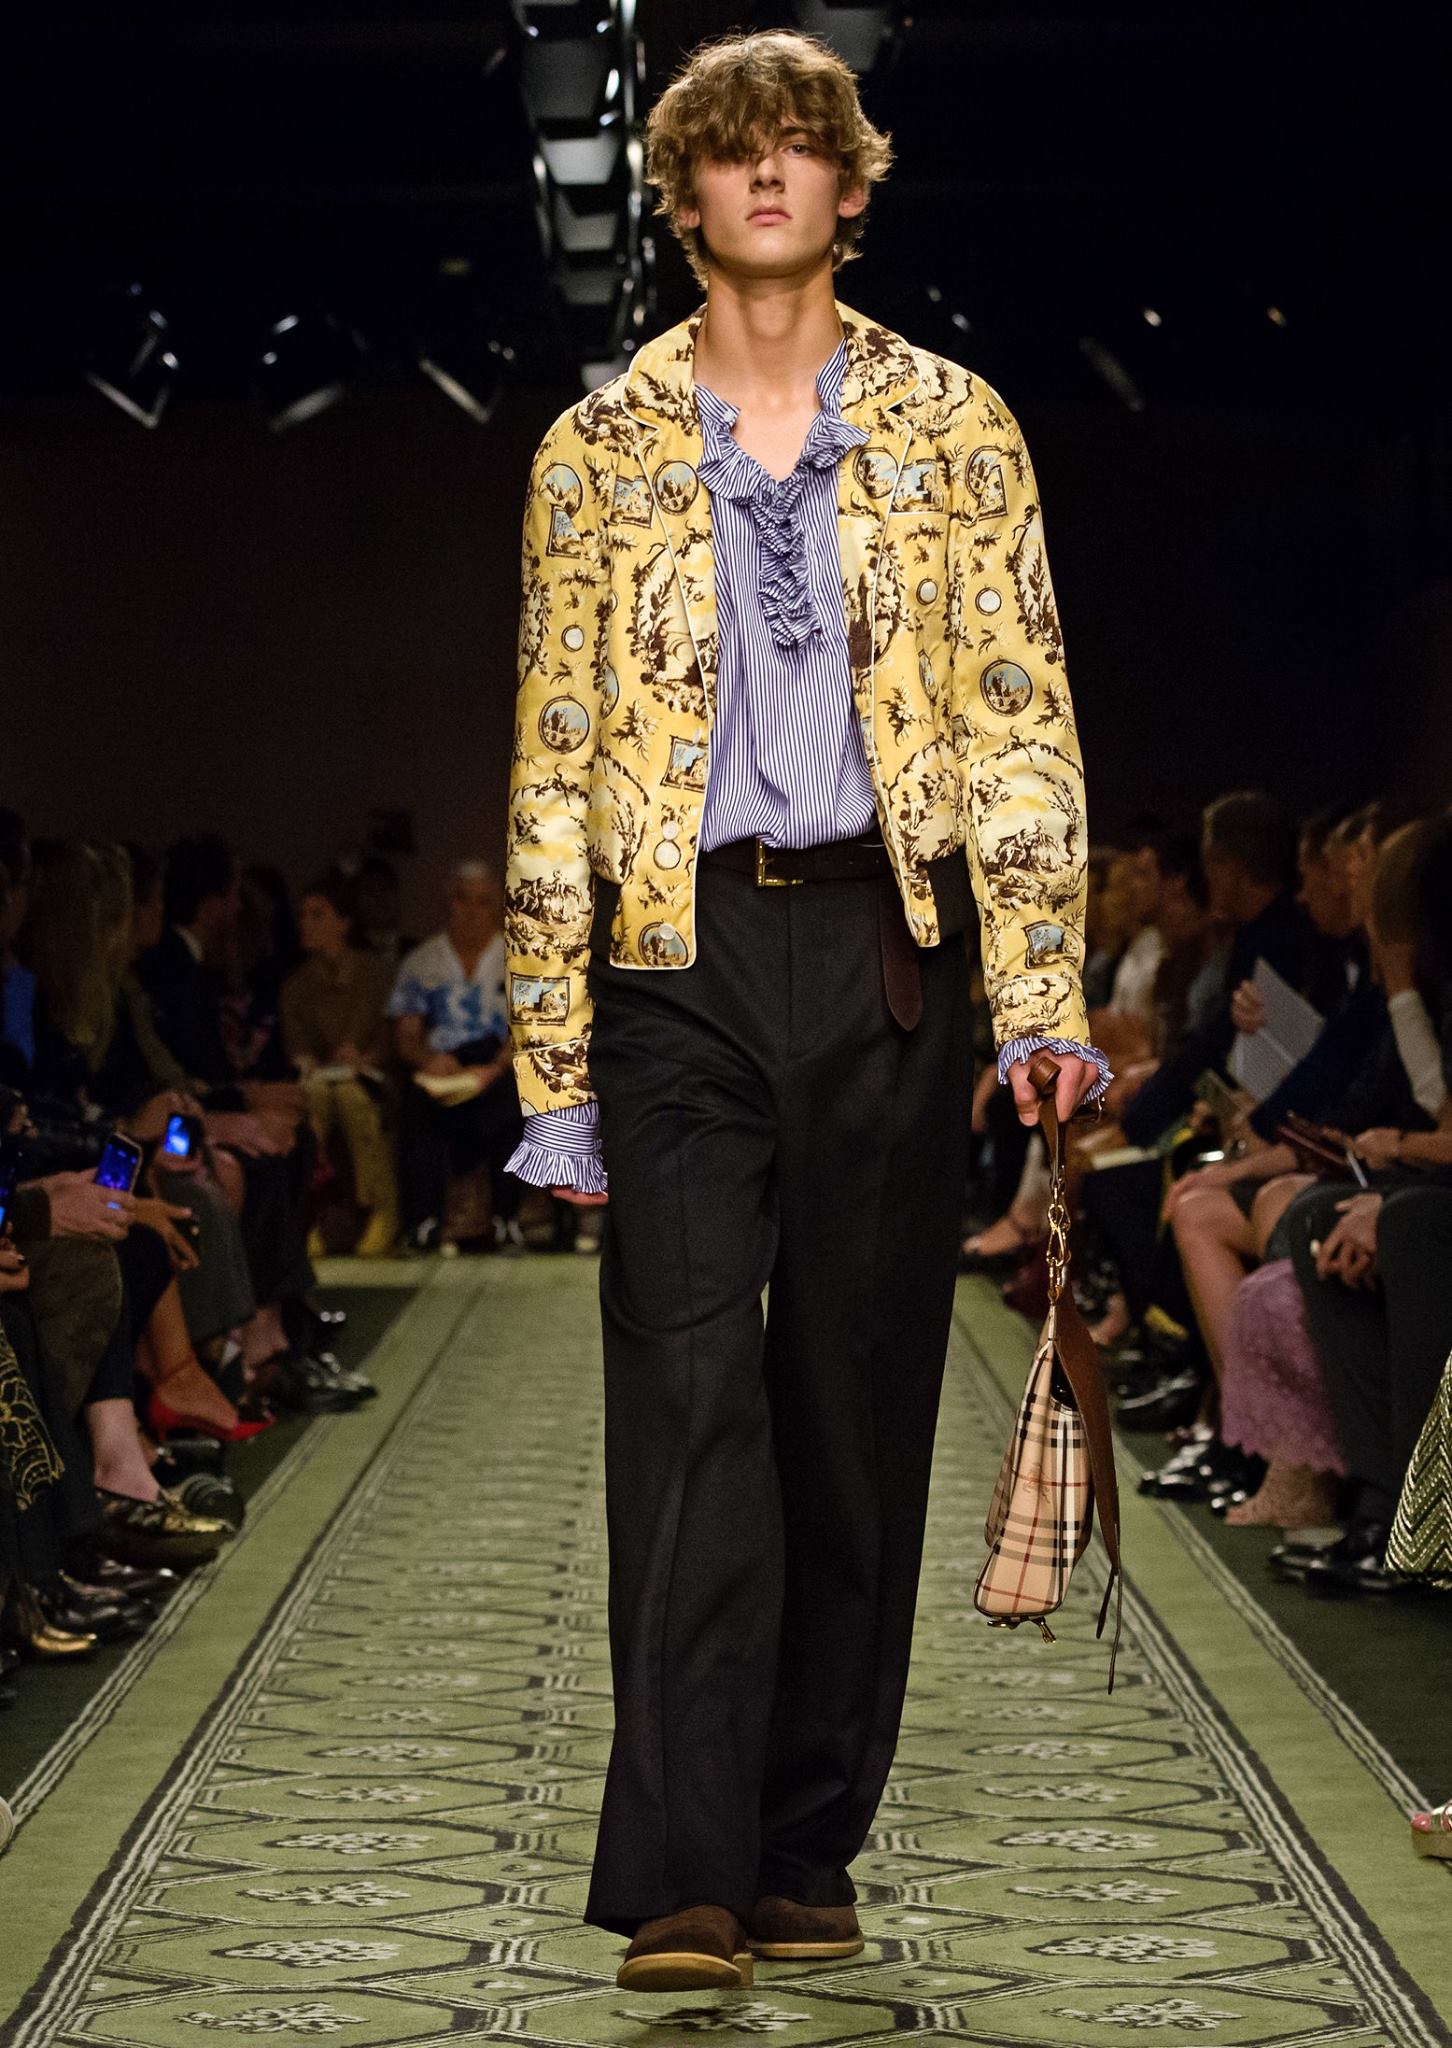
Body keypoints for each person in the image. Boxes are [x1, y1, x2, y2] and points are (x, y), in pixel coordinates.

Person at [501, 28, 1106, 1989]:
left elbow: (1018, 718)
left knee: (850, 1404)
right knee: (686, 1399)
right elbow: (554, 751)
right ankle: (683, 1869)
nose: (768, 171)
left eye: (802, 145)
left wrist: (1039, 997)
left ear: (850, 188)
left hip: (885, 947)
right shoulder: (596, 449)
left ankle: (799, 1840)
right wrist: (553, 1063)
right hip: (671, 965)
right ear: (681, 196)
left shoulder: (957, 427)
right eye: (731, 148)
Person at [387, 861, 525, 1252]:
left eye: (482, 902)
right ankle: (423, 1222)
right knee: (417, 1104)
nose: (471, 912)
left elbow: (530, 1029)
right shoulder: (421, 962)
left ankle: (505, 1220)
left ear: (497, 907)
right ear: (448, 904)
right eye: (462, 900)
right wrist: (429, 1060)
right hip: (443, 1064)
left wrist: (493, 1068)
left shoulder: (521, 958)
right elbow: (406, 1036)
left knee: (516, 1099)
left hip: (498, 1064)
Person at [282, 871, 399, 1257]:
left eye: (318, 915)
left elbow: (390, 1035)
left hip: (370, 1080)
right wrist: (309, 1061)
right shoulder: (296, 985)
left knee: (351, 1097)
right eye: (303, 916)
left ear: (343, 922)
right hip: (320, 1079)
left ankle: (379, 1205)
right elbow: (295, 1044)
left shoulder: (376, 975)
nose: (307, 924)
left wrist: (365, 1057)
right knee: (317, 1096)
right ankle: (311, 1211)